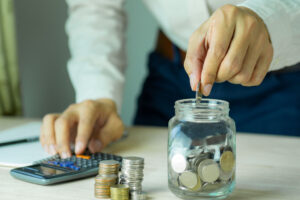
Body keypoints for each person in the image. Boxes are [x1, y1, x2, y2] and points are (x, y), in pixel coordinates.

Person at [40, 0, 300, 158]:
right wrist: (98, 93)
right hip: (172, 78)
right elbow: (95, 7)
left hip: (285, 81)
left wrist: (270, 20)